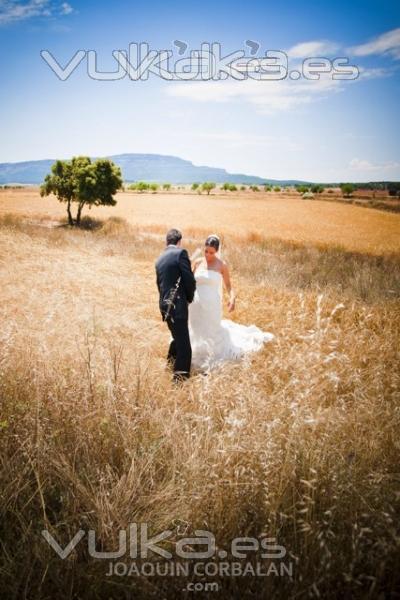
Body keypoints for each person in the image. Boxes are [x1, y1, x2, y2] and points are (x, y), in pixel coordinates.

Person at [188, 234, 274, 372]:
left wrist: (232, 298)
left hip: (212, 305)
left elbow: (228, 286)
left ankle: (210, 355)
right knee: (196, 328)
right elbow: (190, 281)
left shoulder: (222, 265)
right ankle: (193, 353)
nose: (208, 255)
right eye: (206, 251)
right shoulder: (197, 262)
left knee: (211, 330)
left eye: (212, 252)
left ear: (217, 251)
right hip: (196, 304)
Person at [155, 229, 196, 382]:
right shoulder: (181, 253)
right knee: (185, 347)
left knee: (176, 338)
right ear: (179, 242)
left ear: (167, 241)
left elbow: (159, 285)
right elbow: (189, 279)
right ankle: (179, 382)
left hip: (165, 306)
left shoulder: (159, 260)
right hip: (178, 305)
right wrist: (189, 298)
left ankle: (169, 366)